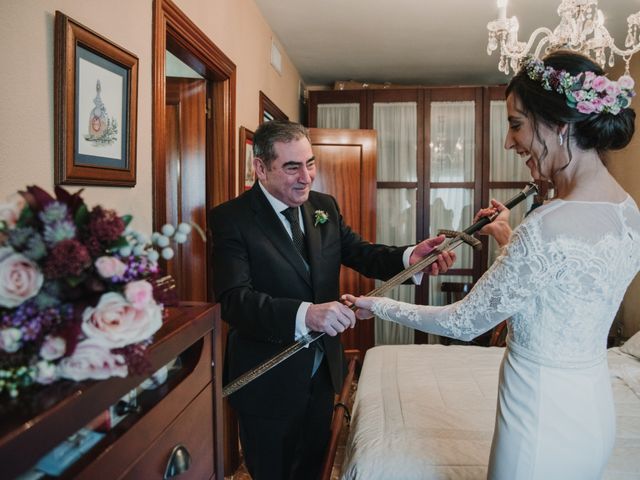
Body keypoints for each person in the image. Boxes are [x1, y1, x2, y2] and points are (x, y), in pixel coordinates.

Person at [344, 51, 640, 479]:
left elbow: (466, 322)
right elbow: (556, 285)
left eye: (516, 124)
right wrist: (508, 236)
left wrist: (377, 305)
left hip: (538, 420)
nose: (508, 142)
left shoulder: (548, 224)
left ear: (558, 125)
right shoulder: (629, 213)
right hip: (594, 413)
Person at [209, 120, 455, 480]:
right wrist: (306, 315)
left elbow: (360, 252)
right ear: (260, 168)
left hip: (324, 371)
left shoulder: (323, 206)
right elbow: (234, 300)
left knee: (314, 466)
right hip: (268, 379)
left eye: (310, 163)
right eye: (292, 166)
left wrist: (408, 257)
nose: (306, 176)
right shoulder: (231, 218)